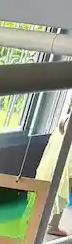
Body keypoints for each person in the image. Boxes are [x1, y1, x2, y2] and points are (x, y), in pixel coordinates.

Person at [35, 102, 72, 237]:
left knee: (57, 189)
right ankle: (53, 224)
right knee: (62, 190)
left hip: (56, 159)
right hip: (67, 161)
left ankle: (47, 221)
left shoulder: (66, 117)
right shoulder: (68, 120)